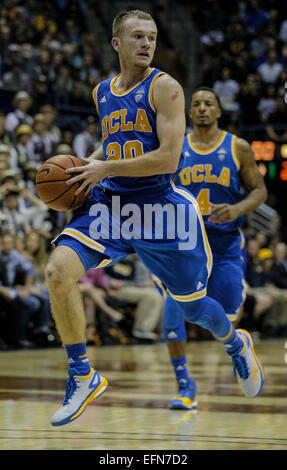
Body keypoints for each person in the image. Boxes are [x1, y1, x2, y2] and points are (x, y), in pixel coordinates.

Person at [45, 9, 264, 427]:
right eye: (138, 37)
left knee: (195, 309)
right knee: (57, 271)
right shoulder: (101, 92)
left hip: (163, 211)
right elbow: (110, 144)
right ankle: (81, 375)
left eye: (152, 37)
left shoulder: (166, 88)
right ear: (116, 44)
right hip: (114, 206)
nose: (147, 44)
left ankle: (236, 343)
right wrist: (81, 169)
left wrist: (104, 169)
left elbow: (168, 158)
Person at [162, 87, 267, 409]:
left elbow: (260, 191)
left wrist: (238, 208)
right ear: (189, 112)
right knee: (171, 316)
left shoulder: (238, 147)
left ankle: (238, 344)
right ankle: (185, 386)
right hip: (185, 245)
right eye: (197, 104)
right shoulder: (175, 146)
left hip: (224, 246)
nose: (203, 108)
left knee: (224, 318)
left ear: (220, 111)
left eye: (209, 104)